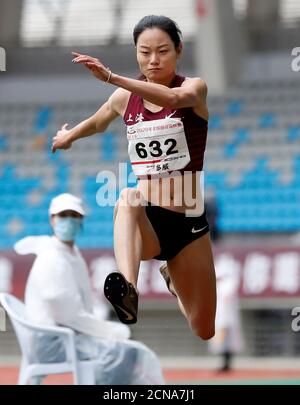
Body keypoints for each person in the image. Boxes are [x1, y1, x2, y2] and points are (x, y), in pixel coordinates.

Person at [52, 15, 216, 341]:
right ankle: (128, 289)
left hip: (188, 223)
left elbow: (172, 99)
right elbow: (98, 123)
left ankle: (172, 278)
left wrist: (112, 77)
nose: (153, 59)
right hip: (148, 222)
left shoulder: (193, 88)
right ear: (136, 53)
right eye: (145, 52)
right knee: (127, 196)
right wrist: (68, 137)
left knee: (204, 330)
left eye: (162, 51)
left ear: (179, 50)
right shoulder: (125, 99)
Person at [14, 193, 164, 385]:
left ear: (81, 220)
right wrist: (109, 330)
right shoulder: (51, 258)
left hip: (67, 337)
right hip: (54, 343)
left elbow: (82, 306)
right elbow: (66, 313)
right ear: (52, 219)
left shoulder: (70, 256)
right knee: (123, 352)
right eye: (63, 215)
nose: (69, 221)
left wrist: (105, 325)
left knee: (126, 348)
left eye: (74, 216)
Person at [208, 253, 244, 372]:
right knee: (221, 341)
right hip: (219, 316)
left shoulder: (229, 283)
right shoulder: (218, 285)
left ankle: (227, 363)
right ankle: (224, 363)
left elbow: (227, 298)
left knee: (228, 340)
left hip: (227, 316)